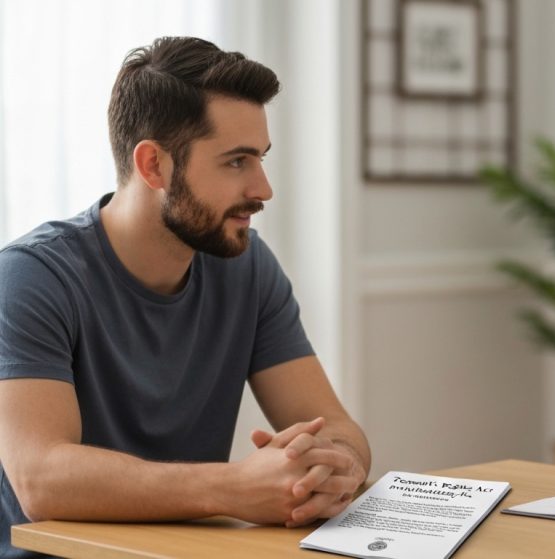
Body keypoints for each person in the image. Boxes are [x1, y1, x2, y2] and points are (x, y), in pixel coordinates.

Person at [0, 36, 371, 557]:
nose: (263, 188)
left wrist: (335, 465)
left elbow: (335, 426)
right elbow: (40, 479)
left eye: (261, 159)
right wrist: (237, 487)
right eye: (237, 162)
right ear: (154, 165)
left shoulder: (247, 265)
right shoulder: (31, 277)